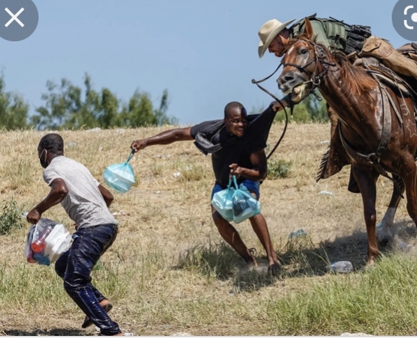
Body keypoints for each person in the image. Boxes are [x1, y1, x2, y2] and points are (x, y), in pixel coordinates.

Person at [257, 16, 417, 183]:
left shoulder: (309, 29)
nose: (272, 51)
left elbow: (324, 62)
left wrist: (291, 97)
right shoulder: (295, 50)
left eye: (270, 46)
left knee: (407, 70)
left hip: (368, 50)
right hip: (350, 67)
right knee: (339, 110)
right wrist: (285, 102)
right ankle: (354, 156)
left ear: (278, 37)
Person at [131, 101, 282, 273]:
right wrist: (147, 142)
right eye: (236, 121)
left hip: (246, 179)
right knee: (218, 218)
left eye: (244, 120)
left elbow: (261, 173)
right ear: (226, 121)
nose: (241, 125)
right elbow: (178, 134)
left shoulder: (252, 136)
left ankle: (272, 259)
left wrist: (242, 170)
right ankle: (249, 259)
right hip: (223, 184)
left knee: (249, 206)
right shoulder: (212, 130)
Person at [26, 133, 124, 336]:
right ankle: (98, 301)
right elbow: (108, 196)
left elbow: (60, 189)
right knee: (63, 265)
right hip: (108, 227)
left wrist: (38, 210)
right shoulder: (78, 166)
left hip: (93, 228)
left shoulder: (52, 169)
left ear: (44, 152)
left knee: (74, 282)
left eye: (39, 154)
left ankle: (111, 331)